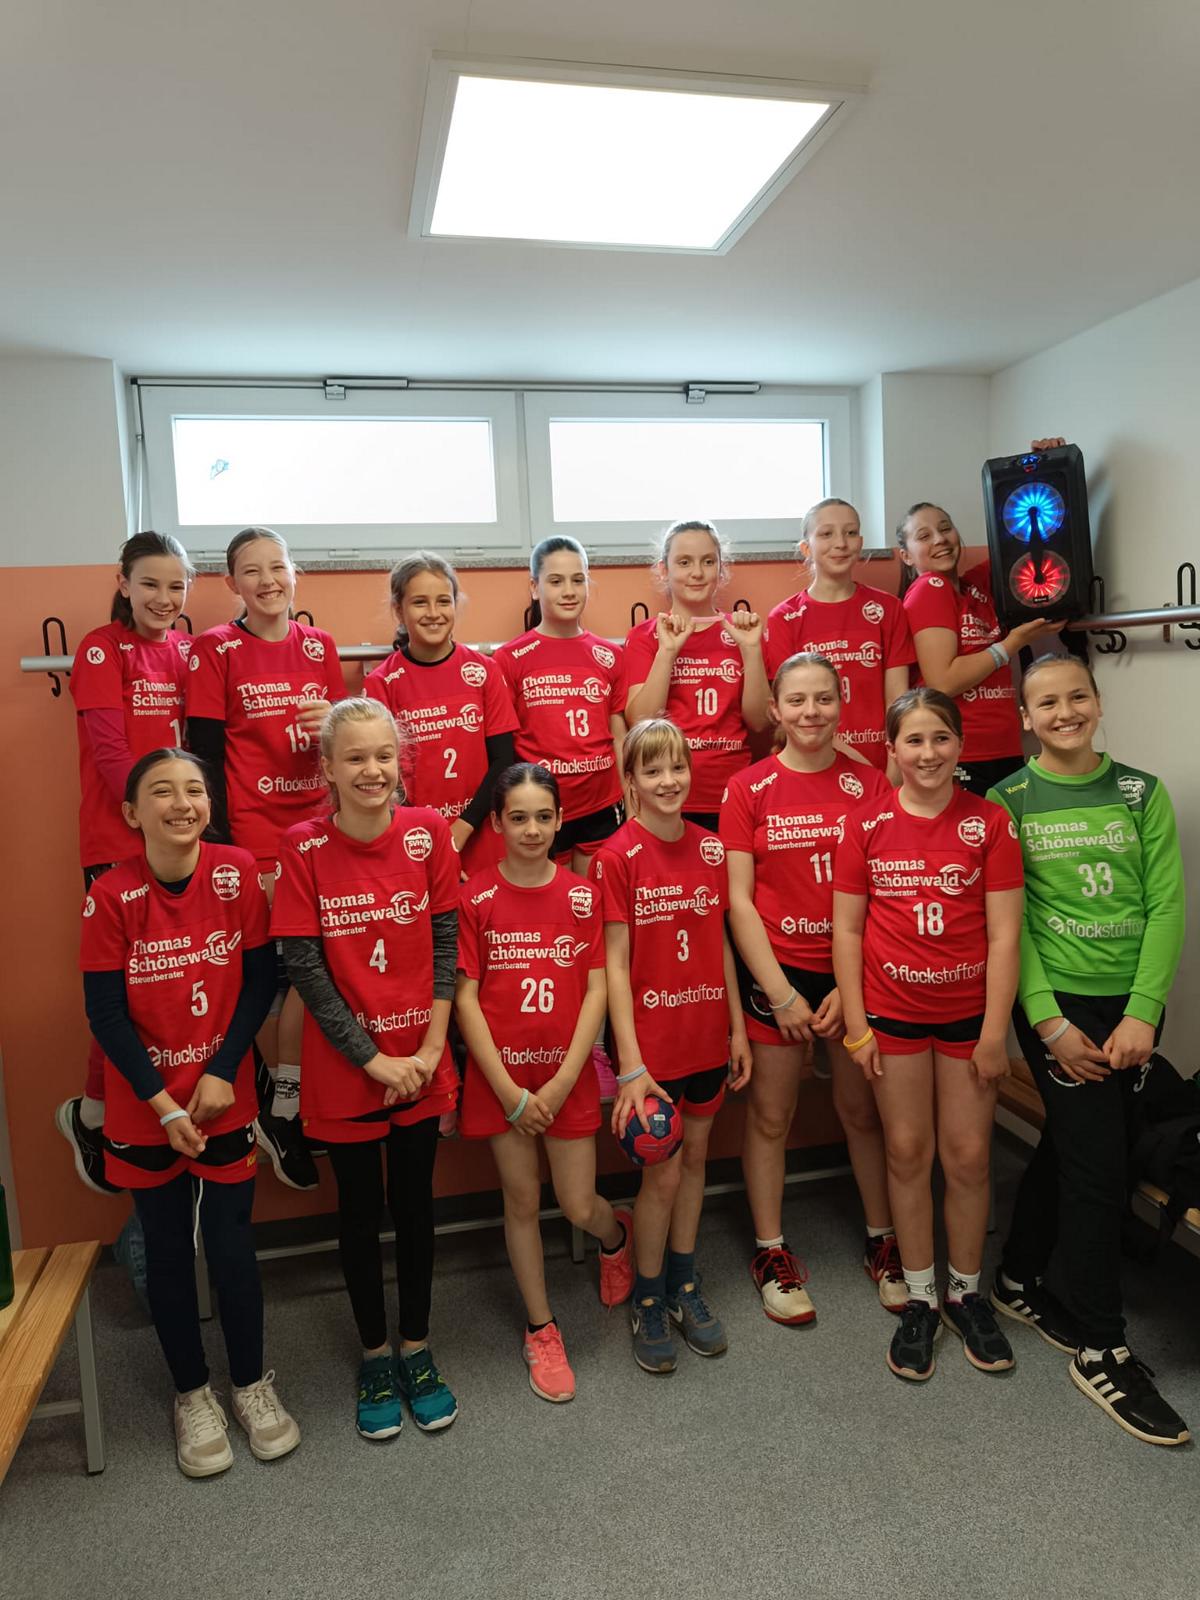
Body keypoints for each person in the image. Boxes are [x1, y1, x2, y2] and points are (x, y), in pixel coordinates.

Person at [986, 655, 1189, 1446]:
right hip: (1057, 1009)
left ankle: (1016, 1276)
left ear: (1098, 703)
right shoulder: (1009, 800)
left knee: (1080, 1145)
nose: (1065, 711)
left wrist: (1144, 1012)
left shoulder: (1140, 792)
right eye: (1047, 702)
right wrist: (1048, 1026)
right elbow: (1016, 928)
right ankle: (1102, 1349)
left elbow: (1166, 905)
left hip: (1131, 1007)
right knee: (1099, 1170)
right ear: (1026, 718)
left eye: (1078, 696)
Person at [79, 748, 298, 1477]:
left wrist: (223, 1070)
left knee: (232, 1246)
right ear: (131, 812)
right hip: (147, 1106)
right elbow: (105, 1013)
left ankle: (250, 1384)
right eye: (162, 792)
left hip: (219, 1093)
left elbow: (260, 981)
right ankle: (191, 1393)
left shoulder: (236, 871)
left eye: (195, 790)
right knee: (169, 1250)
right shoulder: (110, 894)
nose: (182, 803)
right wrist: (162, 1104)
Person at [271, 698, 460, 1439]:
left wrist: (431, 1049)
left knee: (415, 1208)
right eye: (354, 757)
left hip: (421, 1059)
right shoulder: (303, 847)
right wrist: (373, 1059)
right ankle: (376, 1356)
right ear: (327, 768)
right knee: (359, 1214)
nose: (372, 770)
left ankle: (417, 1347)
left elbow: (445, 943)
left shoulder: (428, 831)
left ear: (400, 761)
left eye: (384, 755)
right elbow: (305, 967)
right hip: (352, 1068)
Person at [833, 688, 1024, 1382]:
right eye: (913, 740)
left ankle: (965, 1294)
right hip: (893, 1015)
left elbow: (1004, 936)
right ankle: (919, 1297)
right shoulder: (865, 824)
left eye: (941, 738)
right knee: (908, 1151)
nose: (928, 752)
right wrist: (858, 1027)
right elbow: (847, 930)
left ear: (961, 745)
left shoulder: (989, 822)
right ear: (892, 750)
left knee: (968, 1156)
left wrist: (995, 1032)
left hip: (970, 1018)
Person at [721, 654, 903, 1324]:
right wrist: (780, 993)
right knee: (772, 1116)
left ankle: (884, 1241)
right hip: (779, 973)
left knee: (861, 1111)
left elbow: (885, 889)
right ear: (775, 709)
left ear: (842, 702)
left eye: (824, 699)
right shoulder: (748, 787)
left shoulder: (870, 782)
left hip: (853, 974)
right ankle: (770, 1251)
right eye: (796, 700)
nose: (811, 712)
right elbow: (738, 901)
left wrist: (849, 988)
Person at [455, 763, 635, 1402]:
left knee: (579, 1204)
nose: (531, 829)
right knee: (522, 1201)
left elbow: (596, 989)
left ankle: (616, 1235)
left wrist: (560, 1083)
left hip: (565, 1073)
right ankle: (542, 1328)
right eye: (518, 818)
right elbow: (465, 997)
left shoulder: (582, 895)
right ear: (497, 823)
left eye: (542, 817)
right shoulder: (475, 897)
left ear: (560, 821)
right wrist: (509, 1092)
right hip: (501, 1078)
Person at [187, 526, 346, 1190]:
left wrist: (329, 722)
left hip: (321, 830)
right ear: (233, 584)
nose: (268, 580)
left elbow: (344, 747)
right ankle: (281, 1106)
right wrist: (225, 847)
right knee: (275, 975)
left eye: (277, 567)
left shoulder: (320, 646)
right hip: (255, 839)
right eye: (251, 571)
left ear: (294, 573)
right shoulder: (215, 649)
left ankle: (288, 1103)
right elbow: (203, 753)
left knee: (324, 969)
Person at [592, 718, 752, 1373]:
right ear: (630, 780)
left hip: (706, 1032)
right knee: (661, 1174)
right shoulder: (615, 857)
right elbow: (614, 966)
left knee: (697, 1161)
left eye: (677, 767)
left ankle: (685, 1284)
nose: (668, 780)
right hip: (651, 1050)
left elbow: (720, 944)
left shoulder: (711, 849)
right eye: (652, 770)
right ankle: (650, 1296)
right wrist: (631, 1065)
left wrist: (737, 1026)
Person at [56, 531, 195, 1194]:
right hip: (119, 845)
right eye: (150, 584)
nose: (164, 598)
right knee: (123, 991)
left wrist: (187, 825)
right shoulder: (100, 648)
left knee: (172, 985)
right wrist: (155, 822)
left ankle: (133, 1113)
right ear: (123, 583)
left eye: (176, 586)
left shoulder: (187, 651)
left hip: (179, 840)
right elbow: (111, 753)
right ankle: (93, 1113)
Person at [364, 552, 518, 877]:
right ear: (399, 610)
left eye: (443, 601)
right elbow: (387, 776)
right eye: (420, 602)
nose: (433, 613)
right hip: (417, 841)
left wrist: (462, 828)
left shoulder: (485, 671)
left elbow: (504, 760)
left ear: (455, 605)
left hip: (480, 831)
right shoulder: (382, 683)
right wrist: (429, 837)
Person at [898, 503, 1059, 795]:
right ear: (906, 555)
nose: (940, 539)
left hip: (1003, 747)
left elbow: (1025, 540)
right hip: (963, 751)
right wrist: (1012, 644)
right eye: (924, 536)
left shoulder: (976, 586)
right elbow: (942, 681)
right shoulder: (930, 587)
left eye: (945, 528)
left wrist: (1038, 489)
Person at [493, 537, 626, 873]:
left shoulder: (610, 655)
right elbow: (503, 748)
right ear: (535, 588)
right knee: (554, 899)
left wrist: (630, 797)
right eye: (556, 581)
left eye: (578, 580)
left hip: (602, 805)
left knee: (598, 898)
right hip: (541, 810)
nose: (569, 591)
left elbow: (619, 734)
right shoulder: (509, 659)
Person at [624, 520, 768, 830]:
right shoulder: (644, 636)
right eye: (684, 562)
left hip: (730, 793)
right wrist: (667, 652)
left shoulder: (741, 632)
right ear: (664, 569)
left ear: (721, 568)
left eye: (708, 561)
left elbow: (759, 722)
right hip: (666, 793)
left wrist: (751, 650)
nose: (697, 572)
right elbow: (640, 721)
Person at [764, 499, 914, 776]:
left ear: (861, 543)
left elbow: (898, 700)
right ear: (806, 548)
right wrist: (862, 769)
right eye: (826, 533)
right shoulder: (784, 617)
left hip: (885, 764)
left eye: (850, 532)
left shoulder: (888, 609)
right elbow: (790, 709)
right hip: (816, 765)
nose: (841, 543)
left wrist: (893, 769)